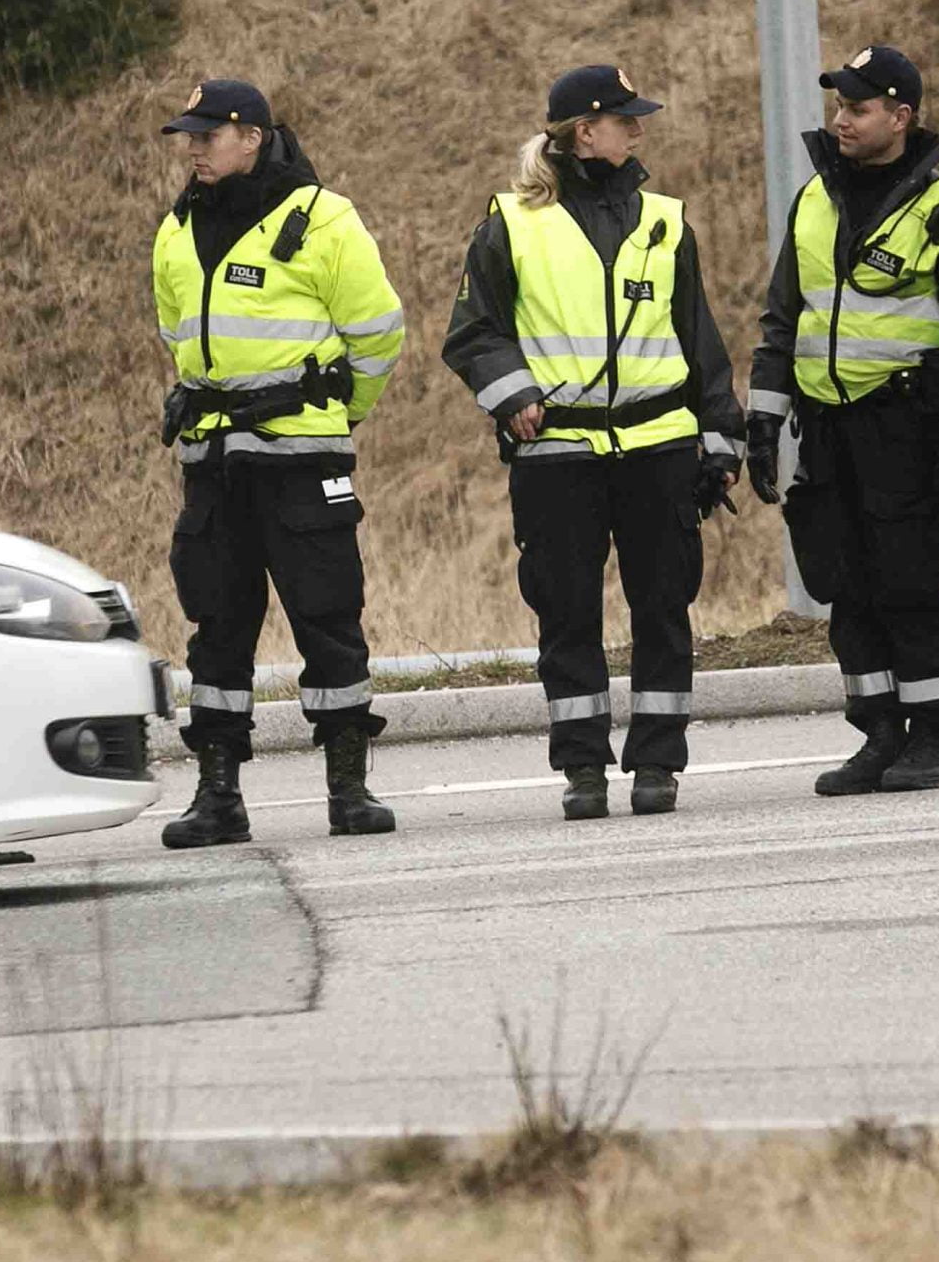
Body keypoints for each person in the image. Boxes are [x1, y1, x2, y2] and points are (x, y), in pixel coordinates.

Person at [443, 65, 744, 820]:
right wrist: (511, 394)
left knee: (664, 607)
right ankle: (581, 767)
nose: (638, 131)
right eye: (625, 120)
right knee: (567, 613)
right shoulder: (510, 222)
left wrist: (722, 438)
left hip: (660, 449)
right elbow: (474, 331)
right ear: (586, 131)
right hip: (559, 455)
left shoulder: (665, 220)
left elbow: (698, 340)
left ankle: (657, 764)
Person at [746, 46, 939, 796]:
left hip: (905, 423)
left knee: (910, 581)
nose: (842, 121)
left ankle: (930, 739)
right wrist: (764, 423)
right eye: (839, 108)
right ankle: (879, 732)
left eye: (858, 109)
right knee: (845, 584)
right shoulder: (815, 199)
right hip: (826, 427)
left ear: (901, 116)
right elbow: (783, 321)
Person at [151, 79, 407, 846]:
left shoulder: (323, 219)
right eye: (188, 138)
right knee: (216, 630)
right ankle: (217, 795)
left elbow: (379, 333)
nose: (194, 149)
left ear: (252, 137)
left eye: (208, 135)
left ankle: (348, 788)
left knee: (328, 621)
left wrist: (338, 409)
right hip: (214, 464)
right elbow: (177, 337)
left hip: (301, 461)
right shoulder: (177, 228)